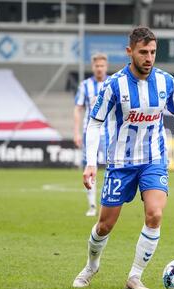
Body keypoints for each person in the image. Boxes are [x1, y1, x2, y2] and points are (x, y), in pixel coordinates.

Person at [72, 26, 174, 289]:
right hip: (120, 164)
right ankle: (92, 265)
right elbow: (94, 123)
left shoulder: (166, 82)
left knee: (155, 213)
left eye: (153, 52)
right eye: (143, 52)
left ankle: (135, 276)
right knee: (105, 225)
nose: (149, 58)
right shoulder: (114, 85)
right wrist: (91, 162)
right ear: (130, 52)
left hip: (154, 159)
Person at [74, 53, 110, 217]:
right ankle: (92, 205)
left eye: (102, 65)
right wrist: (76, 132)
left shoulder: (112, 83)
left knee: (113, 168)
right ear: (93, 67)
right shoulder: (85, 85)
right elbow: (78, 108)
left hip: (110, 132)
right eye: (97, 66)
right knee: (89, 167)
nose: (99, 68)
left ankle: (109, 203)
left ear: (106, 67)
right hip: (90, 132)